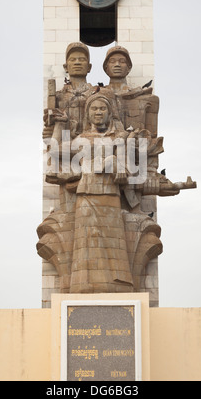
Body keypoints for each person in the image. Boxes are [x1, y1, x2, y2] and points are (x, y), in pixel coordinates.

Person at [69, 93, 134, 293]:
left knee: (113, 242)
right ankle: (84, 286)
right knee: (87, 241)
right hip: (86, 195)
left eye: (102, 109)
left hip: (111, 196)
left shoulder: (119, 140)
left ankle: (118, 284)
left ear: (109, 113)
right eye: (94, 109)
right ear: (87, 114)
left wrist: (119, 165)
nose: (98, 112)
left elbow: (129, 172)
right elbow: (57, 156)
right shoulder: (80, 139)